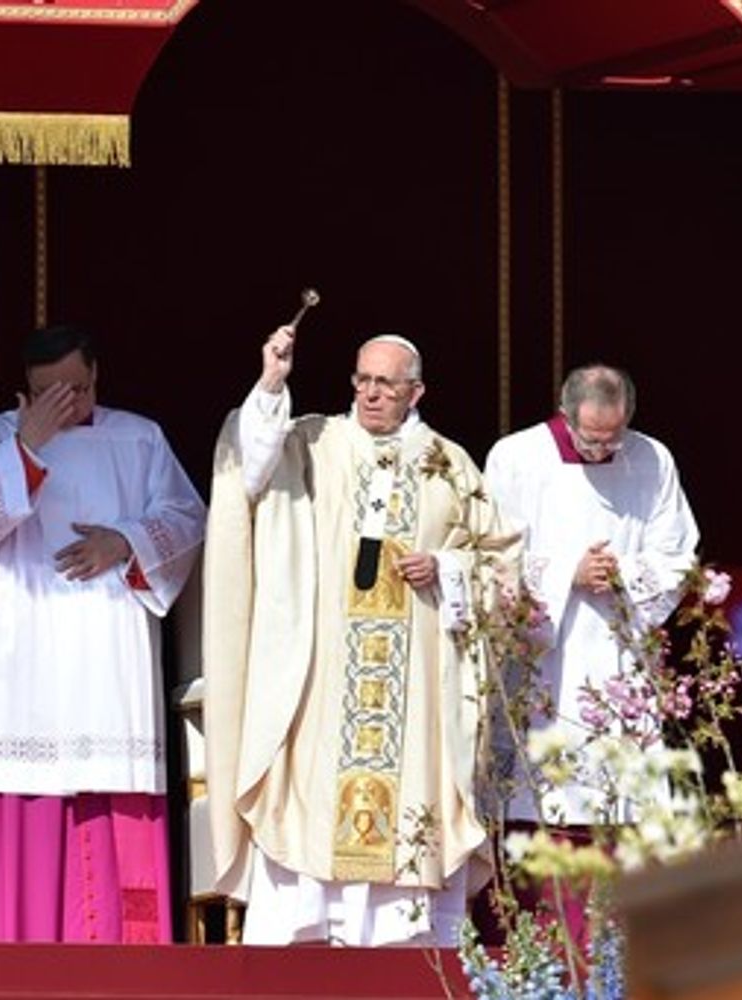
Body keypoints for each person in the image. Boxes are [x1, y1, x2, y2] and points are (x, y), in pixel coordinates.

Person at [203, 327, 519, 947]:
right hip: (322, 674)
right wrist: (272, 382)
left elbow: (501, 565)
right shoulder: (312, 442)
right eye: (363, 381)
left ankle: (403, 948)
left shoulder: (447, 463)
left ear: (416, 391)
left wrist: (446, 569)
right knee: (310, 801)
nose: (371, 394)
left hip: (414, 687)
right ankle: (306, 932)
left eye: (386, 384)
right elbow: (251, 464)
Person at [0, 323, 207, 944]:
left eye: (76, 391)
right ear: (26, 391)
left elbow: (187, 519)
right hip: (19, 650)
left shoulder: (138, 440)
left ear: (96, 376)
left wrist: (125, 541)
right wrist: (26, 448)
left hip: (105, 651)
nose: (66, 406)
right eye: (49, 395)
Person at [484, 364, 698, 825]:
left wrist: (623, 571)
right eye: (591, 438)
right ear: (565, 413)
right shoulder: (516, 456)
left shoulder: (651, 458)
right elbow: (491, 554)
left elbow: (678, 551)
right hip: (546, 658)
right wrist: (569, 573)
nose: (602, 450)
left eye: (613, 438)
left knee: (623, 800)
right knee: (541, 797)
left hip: (619, 648)